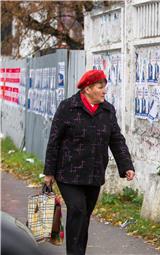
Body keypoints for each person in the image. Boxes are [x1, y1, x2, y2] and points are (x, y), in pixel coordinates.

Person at [43, 70, 135, 255]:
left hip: (93, 174)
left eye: (104, 88)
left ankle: (79, 252)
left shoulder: (107, 111)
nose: (104, 91)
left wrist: (126, 166)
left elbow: (116, 139)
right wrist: (49, 172)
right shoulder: (68, 108)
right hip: (68, 173)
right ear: (88, 89)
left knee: (84, 217)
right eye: (100, 87)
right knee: (77, 209)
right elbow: (54, 140)